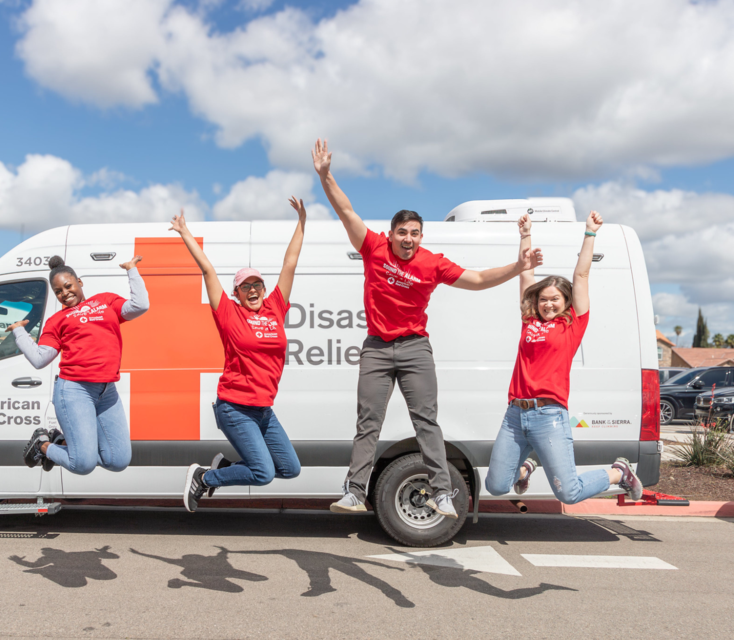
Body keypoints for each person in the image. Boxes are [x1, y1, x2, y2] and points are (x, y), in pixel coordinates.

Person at [312, 139, 542, 518]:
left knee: (426, 421)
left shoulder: (432, 263)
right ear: (391, 235)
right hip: (376, 348)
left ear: (422, 236)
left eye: (415, 233)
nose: (408, 239)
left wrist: (518, 266)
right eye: (402, 232)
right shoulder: (373, 248)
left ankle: (442, 493)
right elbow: (346, 210)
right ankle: (354, 491)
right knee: (368, 421)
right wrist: (325, 176)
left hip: (415, 347)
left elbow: (480, 278)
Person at [484, 211, 643, 503]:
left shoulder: (572, 325)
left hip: (549, 415)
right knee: (495, 486)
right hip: (515, 415)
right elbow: (526, 273)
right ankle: (524, 469)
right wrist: (525, 235)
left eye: (554, 299)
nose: (547, 304)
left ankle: (619, 472)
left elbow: (580, 275)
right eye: (543, 299)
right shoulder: (529, 321)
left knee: (569, 493)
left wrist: (590, 233)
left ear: (566, 302)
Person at [171, 199, 306, 512]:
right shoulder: (229, 314)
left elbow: (290, 263)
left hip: (263, 411)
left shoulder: (275, 308)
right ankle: (205, 478)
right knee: (262, 473)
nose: (253, 290)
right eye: (246, 287)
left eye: (257, 284)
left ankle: (224, 465)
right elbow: (207, 270)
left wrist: (302, 220)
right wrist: (184, 232)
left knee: (290, 468)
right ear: (237, 294)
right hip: (235, 407)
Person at [6, 254, 149, 474]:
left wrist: (131, 270)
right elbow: (39, 359)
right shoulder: (57, 321)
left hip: (107, 391)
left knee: (118, 460)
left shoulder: (106, 301)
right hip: (74, 390)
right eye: (58, 292)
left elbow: (140, 305)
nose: (65, 293)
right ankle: (43, 445)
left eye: (68, 286)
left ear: (79, 282)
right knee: (83, 464)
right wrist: (19, 331)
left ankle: (62, 443)